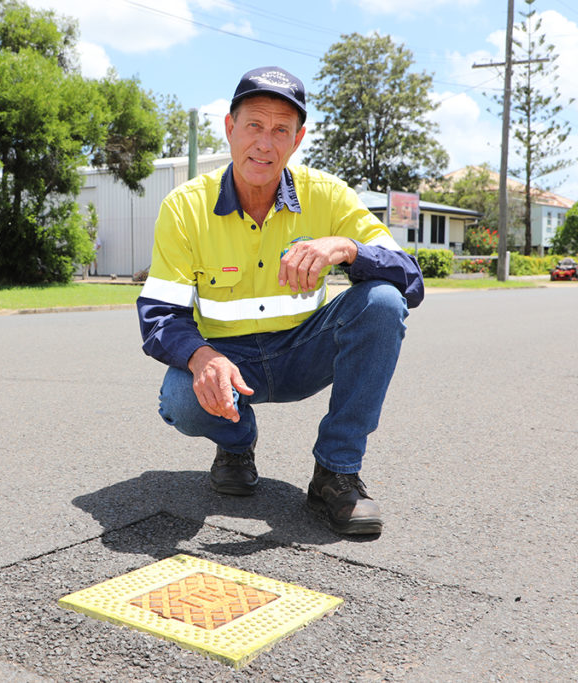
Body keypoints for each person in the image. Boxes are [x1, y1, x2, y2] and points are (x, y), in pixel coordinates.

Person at [136, 66, 424, 535]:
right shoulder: (185, 207)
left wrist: (348, 249)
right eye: (253, 126)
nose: (264, 144)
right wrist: (202, 357)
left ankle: (336, 471)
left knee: (384, 303)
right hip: (232, 364)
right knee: (181, 397)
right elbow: (159, 316)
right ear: (230, 128)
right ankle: (236, 442)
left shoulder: (328, 196)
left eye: (280, 130)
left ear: (298, 138)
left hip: (303, 355)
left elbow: (410, 279)